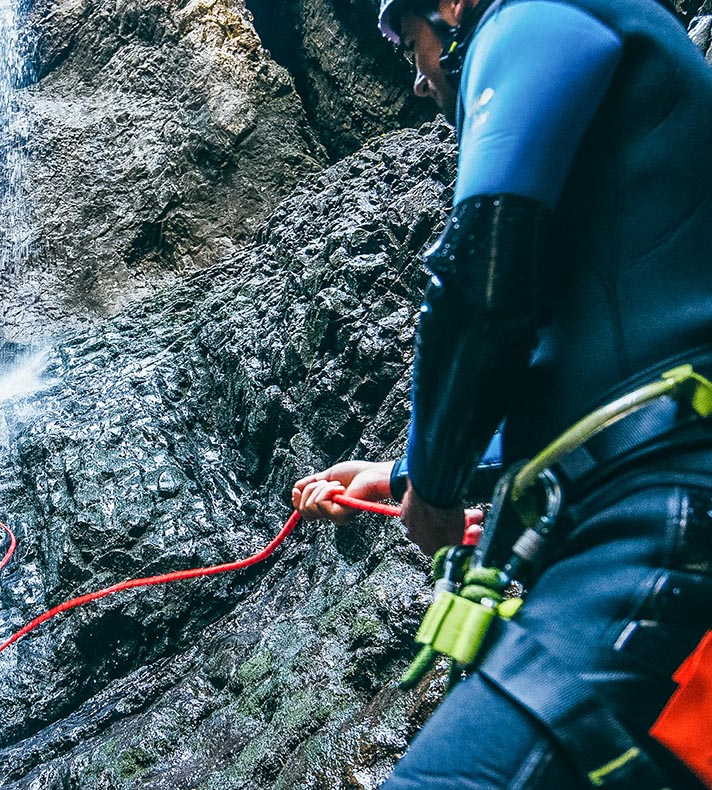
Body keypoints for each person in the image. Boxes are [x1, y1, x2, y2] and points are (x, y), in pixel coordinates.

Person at [293, 0, 712, 786]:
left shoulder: (530, 15)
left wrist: (436, 488)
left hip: (661, 518)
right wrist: (402, 475)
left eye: (408, 45)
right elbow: (592, 371)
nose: (419, 81)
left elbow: (479, 284)